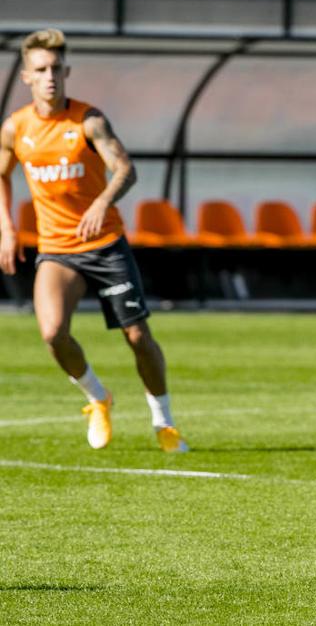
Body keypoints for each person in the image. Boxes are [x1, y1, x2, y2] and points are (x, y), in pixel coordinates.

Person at [0, 28, 186, 453]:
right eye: (40, 70)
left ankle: (164, 421)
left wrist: (103, 201)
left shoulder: (89, 121)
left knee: (137, 337)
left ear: (67, 72)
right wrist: (7, 230)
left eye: (56, 69)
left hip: (104, 245)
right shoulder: (16, 128)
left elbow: (125, 169)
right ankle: (98, 397)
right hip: (57, 251)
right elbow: (1, 174)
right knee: (51, 334)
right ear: (26, 77)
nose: (50, 77)